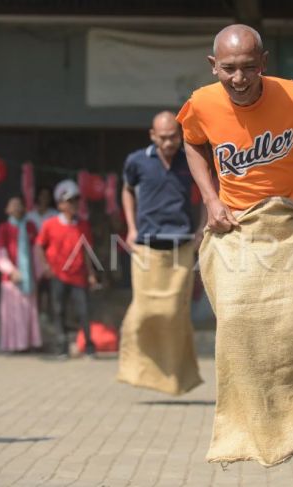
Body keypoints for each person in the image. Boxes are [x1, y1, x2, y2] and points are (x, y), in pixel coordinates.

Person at [176, 24, 293, 466]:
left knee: (288, 316)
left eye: (249, 68)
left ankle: (288, 416)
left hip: (288, 221)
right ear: (213, 66)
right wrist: (211, 198)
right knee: (234, 318)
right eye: (229, 69)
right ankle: (240, 428)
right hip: (234, 225)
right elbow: (191, 141)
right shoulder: (202, 102)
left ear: (264, 63)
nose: (239, 79)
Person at [116, 111, 204, 395]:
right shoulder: (136, 161)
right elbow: (127, 190)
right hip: (145, 244)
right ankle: (135, 370)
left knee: (174, 314)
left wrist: (202, 228)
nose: (169, 143)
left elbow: (208, 192)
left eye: (174, 137)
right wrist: (130, 227)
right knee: (142, 312)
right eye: (163, 138)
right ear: (153, 136)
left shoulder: (189, 158)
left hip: (181, 245)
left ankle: (177, 379)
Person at [35, 180, 97, 358]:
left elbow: (87, 252)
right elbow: (39, 246)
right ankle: (61, 347)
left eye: (77, 200)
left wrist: (92, 274)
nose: (74, 204)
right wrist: (45, 266)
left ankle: (89, 348)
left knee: (84, 311)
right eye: (70, 201)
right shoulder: (49, 224)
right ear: (60, 204)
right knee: (59, 310)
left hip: (79, 276)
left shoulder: (83, 225)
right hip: (58, 275)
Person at [0, 196, 42, 352]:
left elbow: (36, 252)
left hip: (29, 277)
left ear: (24, 208)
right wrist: (11, 271)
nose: (16, 208)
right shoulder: (4, 228)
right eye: (12, 205)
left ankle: (29, 343)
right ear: (7, 210)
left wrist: (39, 272)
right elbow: (1, 253)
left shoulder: (30, 227)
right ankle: (14, 345)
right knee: (12, 313)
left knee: (29, 311)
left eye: (19, 205)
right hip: (11, 279)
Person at [26, 186, 58, 319]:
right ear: (37, 196)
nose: (44, 198)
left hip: (50, 252)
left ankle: (45, 312)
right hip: (32, 252)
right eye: (42, 195)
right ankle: (34, 312)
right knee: (35, 282)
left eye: (47, 195)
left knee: (47, 282)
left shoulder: (54, 214)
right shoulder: (30, 215)